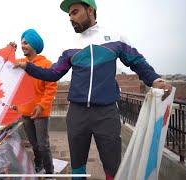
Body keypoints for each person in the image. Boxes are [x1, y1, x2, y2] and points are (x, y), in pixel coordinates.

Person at [14, 0, 172, 179]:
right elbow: (53, 73)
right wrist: (27, 67)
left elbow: (137, 62)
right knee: (78, 165)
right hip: (76, 113)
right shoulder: (69, 45)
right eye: (69, 15)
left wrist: (155, 80)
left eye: (75, 12)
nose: (71, 18)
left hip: (106, 112)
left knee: (112, 166)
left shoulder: (115, 37)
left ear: (90, 10)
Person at [10, 29, 58, 174]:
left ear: (34, 44)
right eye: (21, 43)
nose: (22, 45)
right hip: (25, 112)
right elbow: (3, 64)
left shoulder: (47, 64)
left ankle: (49, 171)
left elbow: (51, 88)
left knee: (43, 145)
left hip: (40, 112)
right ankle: (38, 164)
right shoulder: (19, 63)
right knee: (34, 145)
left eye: (26, 43)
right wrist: (10, 50)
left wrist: (42, 105)